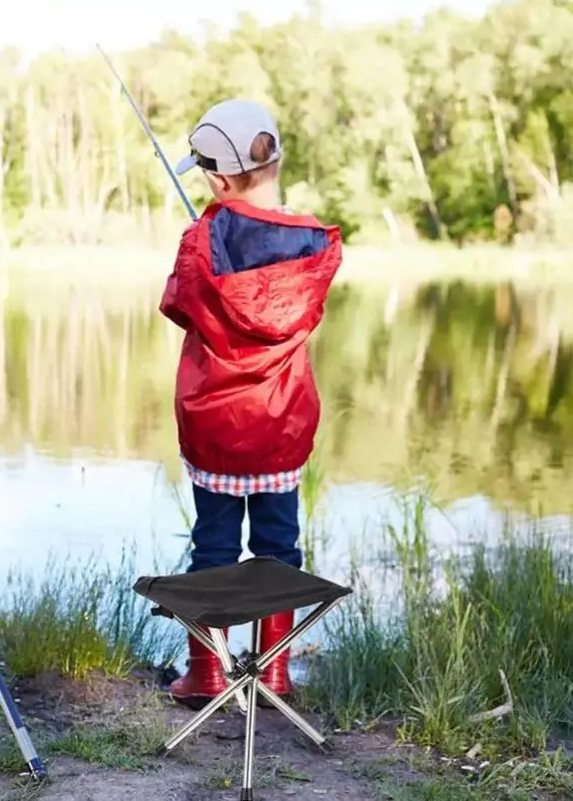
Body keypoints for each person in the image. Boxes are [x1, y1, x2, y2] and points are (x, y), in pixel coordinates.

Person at [159, 98, 342, 710]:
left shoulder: (201, 239)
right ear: (276, 158)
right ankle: (274, 674)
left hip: (215, 421)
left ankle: (208, 674)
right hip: (282, 420)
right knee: (279, 545)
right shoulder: (314, 242)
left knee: (214, 543)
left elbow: (180, 304)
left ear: (215, 178)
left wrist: (210, 229)